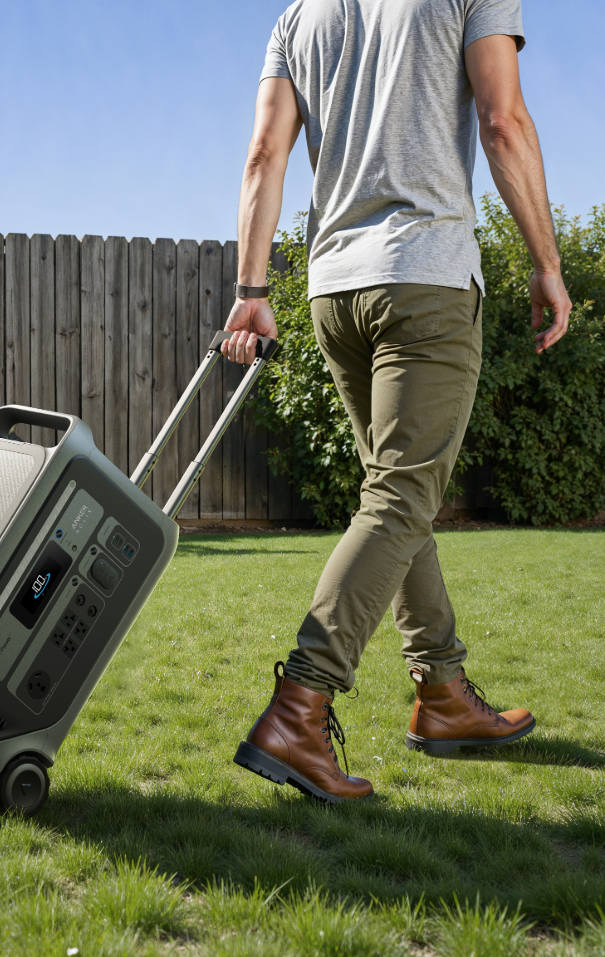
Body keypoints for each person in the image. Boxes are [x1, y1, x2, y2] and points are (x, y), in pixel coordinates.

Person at [220, 0, 572, 803]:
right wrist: (546, 265)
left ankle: (441, 691)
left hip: (332, 290)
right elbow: (502, 121)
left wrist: (251, 289)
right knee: (401, 496)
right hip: (424, 274)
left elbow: (264, 152)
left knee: (395, 497)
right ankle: (299, 707)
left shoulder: (298, 16)